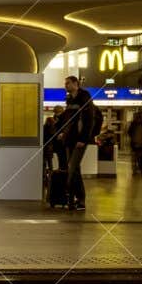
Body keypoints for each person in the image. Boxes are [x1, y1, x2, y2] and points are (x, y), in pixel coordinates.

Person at [61, 76, 98, 211]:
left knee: (72, 168)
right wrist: (61, 133)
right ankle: (74, 200)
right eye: (65, 83)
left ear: (76, 84)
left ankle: (80, 199)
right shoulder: (70, 99)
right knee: (74, 169)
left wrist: (83, 139)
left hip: (79, 140)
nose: (66, 85)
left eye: (68, 83)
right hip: (69, 139)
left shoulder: (84, 97)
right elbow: (68, 120)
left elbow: (89, 120)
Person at [127, 110, 142, 175]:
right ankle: (141, 169)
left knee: (136, 158)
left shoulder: (134, 124)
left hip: (136, 143)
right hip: (141, 143)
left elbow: (129, 132)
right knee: (141, 157)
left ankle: (136, 170)